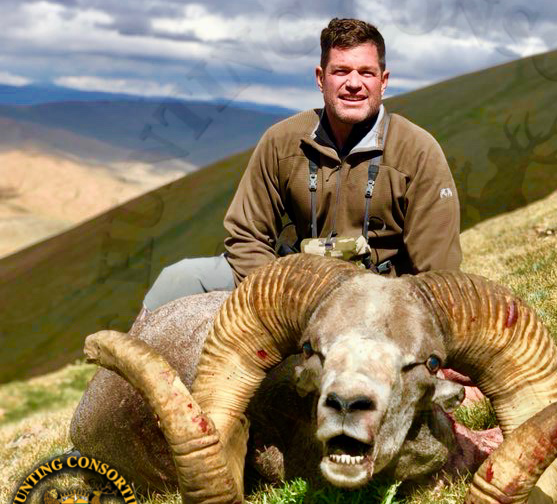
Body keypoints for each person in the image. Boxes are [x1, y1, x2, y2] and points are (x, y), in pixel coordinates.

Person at [142, 17, 462, 313]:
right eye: (341, 71)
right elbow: (247, 237)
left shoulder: (418, 151)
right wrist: (282, 295)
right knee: (181, 278)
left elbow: (437, 271)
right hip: (296, 286)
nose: (354, 83)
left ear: (384, 81)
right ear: (321, 79)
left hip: (379, 296)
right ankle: (128, 356)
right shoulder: (282, 140)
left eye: (366, 72)